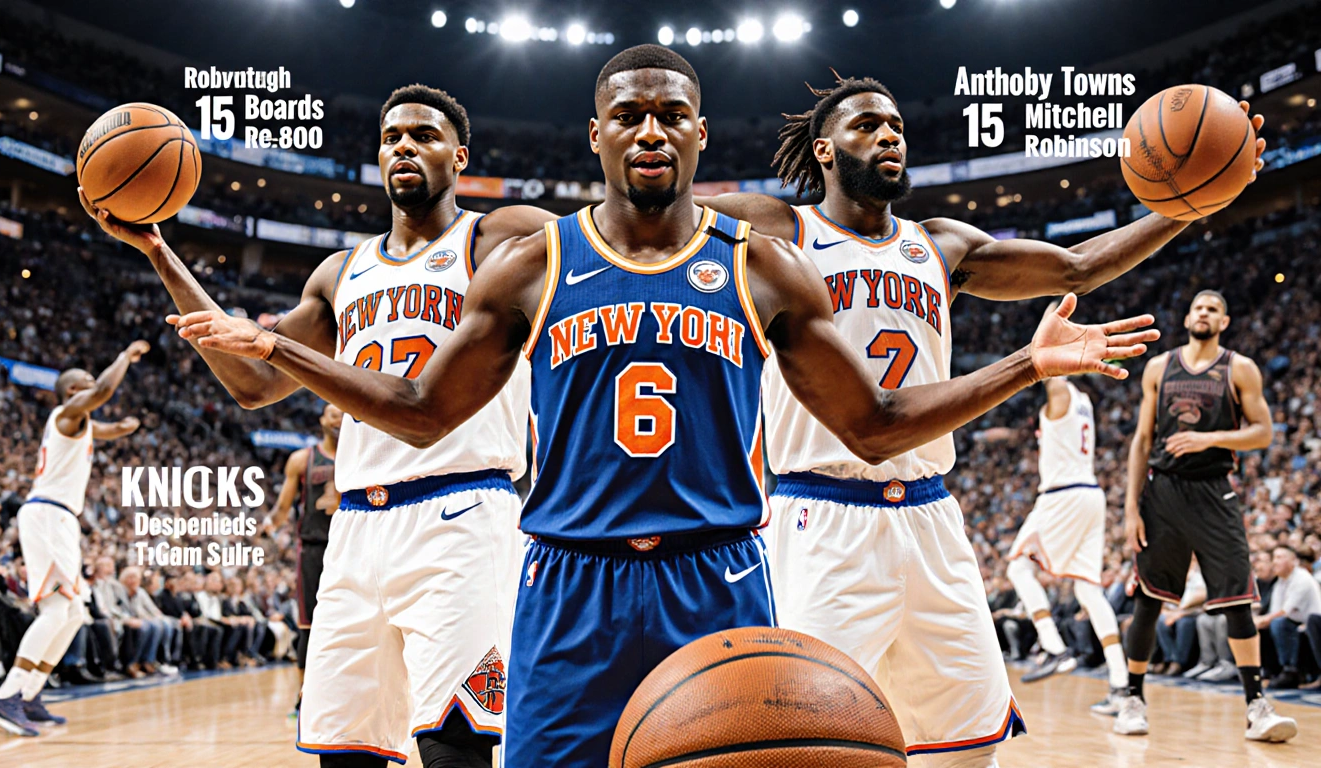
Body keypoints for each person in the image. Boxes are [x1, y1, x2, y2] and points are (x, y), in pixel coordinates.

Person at [170, 45, 1157, 768]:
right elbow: (422, 409)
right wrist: (283, 353)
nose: (650, 131)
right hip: (567, 583)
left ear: (699, 134)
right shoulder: (535, 260)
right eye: (630, 115)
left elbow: (876, 426)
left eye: (670, 115)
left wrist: (1026, 366)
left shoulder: (759, 263)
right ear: (599, 133)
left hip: (718, 578)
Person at [692, 75, 1263, 764]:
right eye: (867, 125)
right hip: (823, 518)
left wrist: (1189, 206)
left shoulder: (941, 246)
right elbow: (665, 218)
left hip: (933, 519)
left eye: (896, 125)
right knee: (810, 747)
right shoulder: (784, 231)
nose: (889, 135)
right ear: (823, 150)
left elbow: (1077, 268)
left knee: (968, 748)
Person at [82, 84, 555, 766]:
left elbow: (612, 242)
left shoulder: (500, 237)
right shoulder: (341, 272)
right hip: (357, 526)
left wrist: (270, 340)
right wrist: (159, 250)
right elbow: (252, 382)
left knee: (455, 748)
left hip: (464, 513)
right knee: (346, 754)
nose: (404, 147)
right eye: (392, 136)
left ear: (460, 155)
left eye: (423, 135)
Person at [1121, 290, 1297, 741]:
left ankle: (1256, 706)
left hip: (1214, 491)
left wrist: (1209, 439)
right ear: (1186, 318)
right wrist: (1128, 511)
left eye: (1213, 309)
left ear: (1224, 321)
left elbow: (1263, 433)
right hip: (1161, 493)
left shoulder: (1239, 368)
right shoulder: (1159, 368)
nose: (1204, 313)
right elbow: (1142, 441)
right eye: (1198, 307)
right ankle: (1132, 698)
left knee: (1238, 597)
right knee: (1147, 598)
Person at [0, 342, 146, 737]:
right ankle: (6, 698)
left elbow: (105, 427)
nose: (95, 389)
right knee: (56, 610)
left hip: (61, 519)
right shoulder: (65, 413)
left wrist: (123, 428)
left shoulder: (82, 425)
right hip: (46, 513)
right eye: (87, 384)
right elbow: (103, 392)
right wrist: (123, 357)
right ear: (73, 392)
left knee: (74, 614)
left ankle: (31, 694)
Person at [1005, 372, 1131, 716]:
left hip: (1063, 495)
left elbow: (1054, 379)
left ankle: (1053, 646)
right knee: (1089, 591)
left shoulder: (1061, 395)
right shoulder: (1084, 401)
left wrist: (1049, 355)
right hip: (1090, 495)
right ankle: (1122, 685)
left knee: (1018, 568)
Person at [267, 403, 342, 710]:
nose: (338, 418)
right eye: (332, 413)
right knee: (309, 624)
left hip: (352, 545)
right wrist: (268, 525)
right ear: (322, 420)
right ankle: (303, 697)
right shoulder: (302, 459)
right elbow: (283, 507)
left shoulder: (364, 456)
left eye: (342, 413)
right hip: (314, 547)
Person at [1254, 545, 1321, 689]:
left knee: (1278, 623)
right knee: (1266, 625)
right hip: (1296, 622)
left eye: (1280, 557)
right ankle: (1270, 672)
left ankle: (1290, 670)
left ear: (1293, 560)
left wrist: (1262, 620)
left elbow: (1284, 612)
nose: (1275, 562)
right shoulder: (1280, 581)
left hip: (1310, 623)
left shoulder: (1302, 578)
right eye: (1274, 558)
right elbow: (1275, 610)